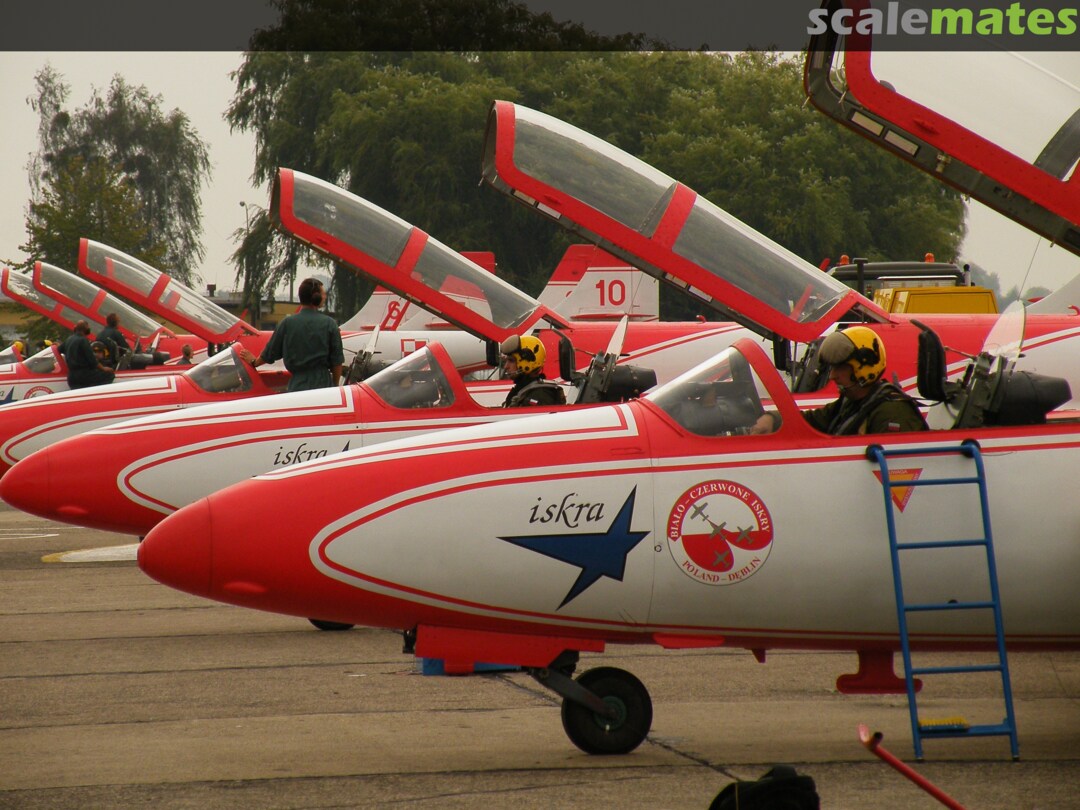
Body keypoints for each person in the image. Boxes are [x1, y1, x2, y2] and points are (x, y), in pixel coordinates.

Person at [753, 326, 927, 436]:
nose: (832, 376)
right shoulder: (850, 403)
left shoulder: (893, 414)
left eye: (840, 368)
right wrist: (773, 419)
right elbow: (812, 421)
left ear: (863, 367)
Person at [243, 277, 344, 392]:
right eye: (323, 294)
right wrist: (335, 386)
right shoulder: (330, 324)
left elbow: (269, 353)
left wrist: (254, 362)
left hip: (297, 387)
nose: (325, 297)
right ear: (316, 297)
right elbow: (337, 362)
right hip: (324, 388)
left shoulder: (286, 323)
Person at [499, 334, 566, 408]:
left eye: (511, 361)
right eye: (506, 361)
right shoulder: (522, 390)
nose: (506, 366)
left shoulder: (540, 396)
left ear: (527, 362)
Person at [60, 320, 114, 389]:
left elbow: (59, 349)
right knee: (109, 375)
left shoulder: (69, 339)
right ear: (85, 329)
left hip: (71, 377)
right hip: (84, 375)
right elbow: (93, 361)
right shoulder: (83, 340)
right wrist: (103, 368)